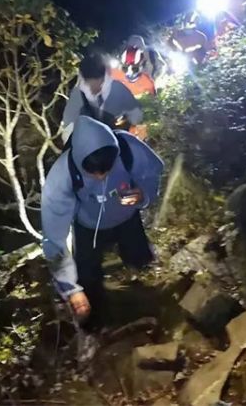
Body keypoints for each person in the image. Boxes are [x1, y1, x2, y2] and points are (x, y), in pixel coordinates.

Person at [41, 116, 164, 331]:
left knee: (142, 262)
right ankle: (96, 328)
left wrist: (143, 194)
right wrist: (70, 288)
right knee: (88, 282)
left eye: (107, 169)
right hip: (88, 227)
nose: (101, 177)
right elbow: (54, 237)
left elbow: (153, 170)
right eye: (93, 172)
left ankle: (154, 302)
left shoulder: (127, 146)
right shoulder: (61, 176)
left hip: (128, 218)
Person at [61, 52, 143, 142]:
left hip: (116, 141)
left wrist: (125, 122)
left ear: (104, 77)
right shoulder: (77, 95)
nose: (94, 89)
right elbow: (68, 127)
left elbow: (136, 116)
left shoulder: (118, 89)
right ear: (84, 79)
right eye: (90, 84)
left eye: (98, 83)